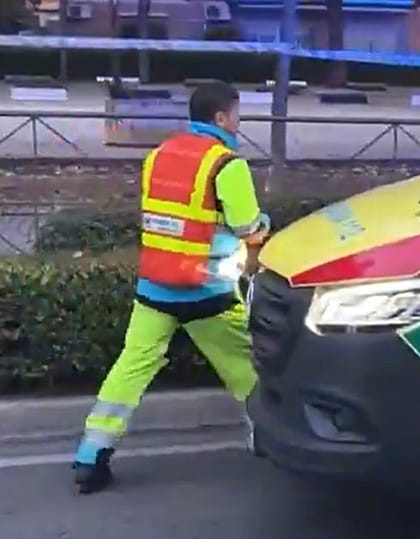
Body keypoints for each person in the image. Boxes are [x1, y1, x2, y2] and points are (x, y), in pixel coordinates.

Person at [72, 81, 271, 495]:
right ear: (221, 118)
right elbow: (247, 228)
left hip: (156, 287)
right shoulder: (227, 165)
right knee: (247, 366)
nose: (239, 121)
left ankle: (91, 455)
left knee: (131, 367)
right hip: (208, 292)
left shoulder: (157, 156)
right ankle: (268, 439)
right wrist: (262, 232)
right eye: (237, 114)